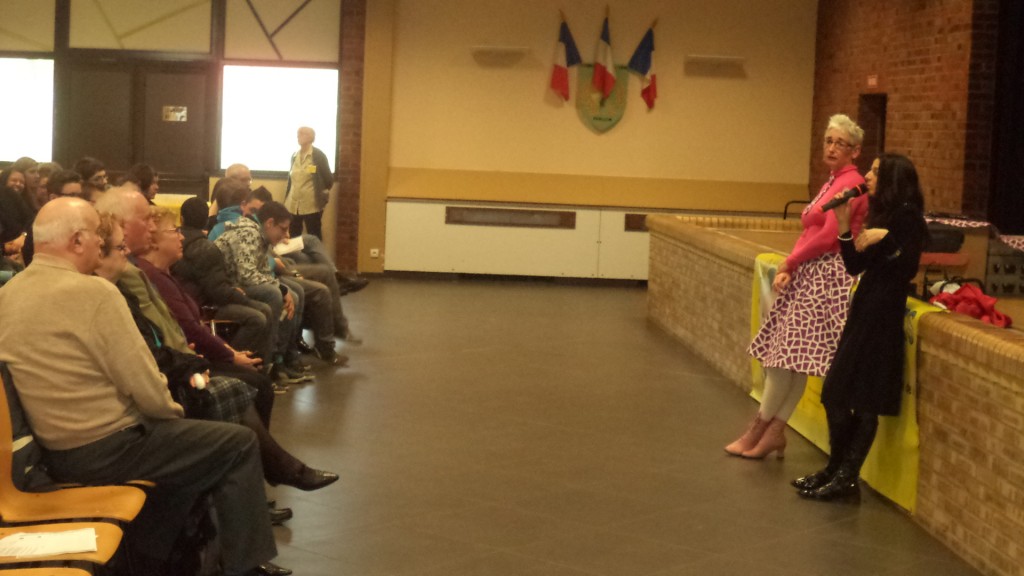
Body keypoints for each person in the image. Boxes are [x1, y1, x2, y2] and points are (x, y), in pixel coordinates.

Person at [0, 197, 277, 576]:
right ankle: (244, 567)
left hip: (52, 451)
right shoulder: (95, 293)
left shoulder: (8, 295)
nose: (101, 244)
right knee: (236, 443)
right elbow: (145, 387)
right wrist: (175, 414)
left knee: (187, 458)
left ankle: (154, 560)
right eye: (97, 237)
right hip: (108, 445)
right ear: (77, 240)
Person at [725, 114, 870, 459]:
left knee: (784, 359)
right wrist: (793, 264)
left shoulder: (851, 185)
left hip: (827, 276)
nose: (832, 148)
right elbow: (810, 231)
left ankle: (762, 430)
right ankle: (771, 433)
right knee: (788, 359)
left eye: (840, 143)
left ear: (855, 151)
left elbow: (828, 235)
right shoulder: (833, 180)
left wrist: (789, 262)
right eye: (828, 141)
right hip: (810, 271)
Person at [794, 153, 928, 502]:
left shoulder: (908, 217)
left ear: (893, 179)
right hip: (865, 308)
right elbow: (855, 265)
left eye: (876, 171)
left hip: (883, 315)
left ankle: (846, 477)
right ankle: (836, 469)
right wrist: (843, 226)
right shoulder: (883, 214)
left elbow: (907, 268)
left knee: (864, 400)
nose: (867, 176)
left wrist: (885, 238)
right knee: (835, 393)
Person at [284, 126, 333, 239]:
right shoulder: (294, 156)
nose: (298, 136)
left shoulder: (318, 155)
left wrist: (322, 194)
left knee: (314, 234)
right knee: (293, 234)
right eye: (298, 134)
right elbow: (292, 179)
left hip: (311, 204)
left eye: (302, 134)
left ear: (311, 137)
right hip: (293, 204)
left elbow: (328, 179)